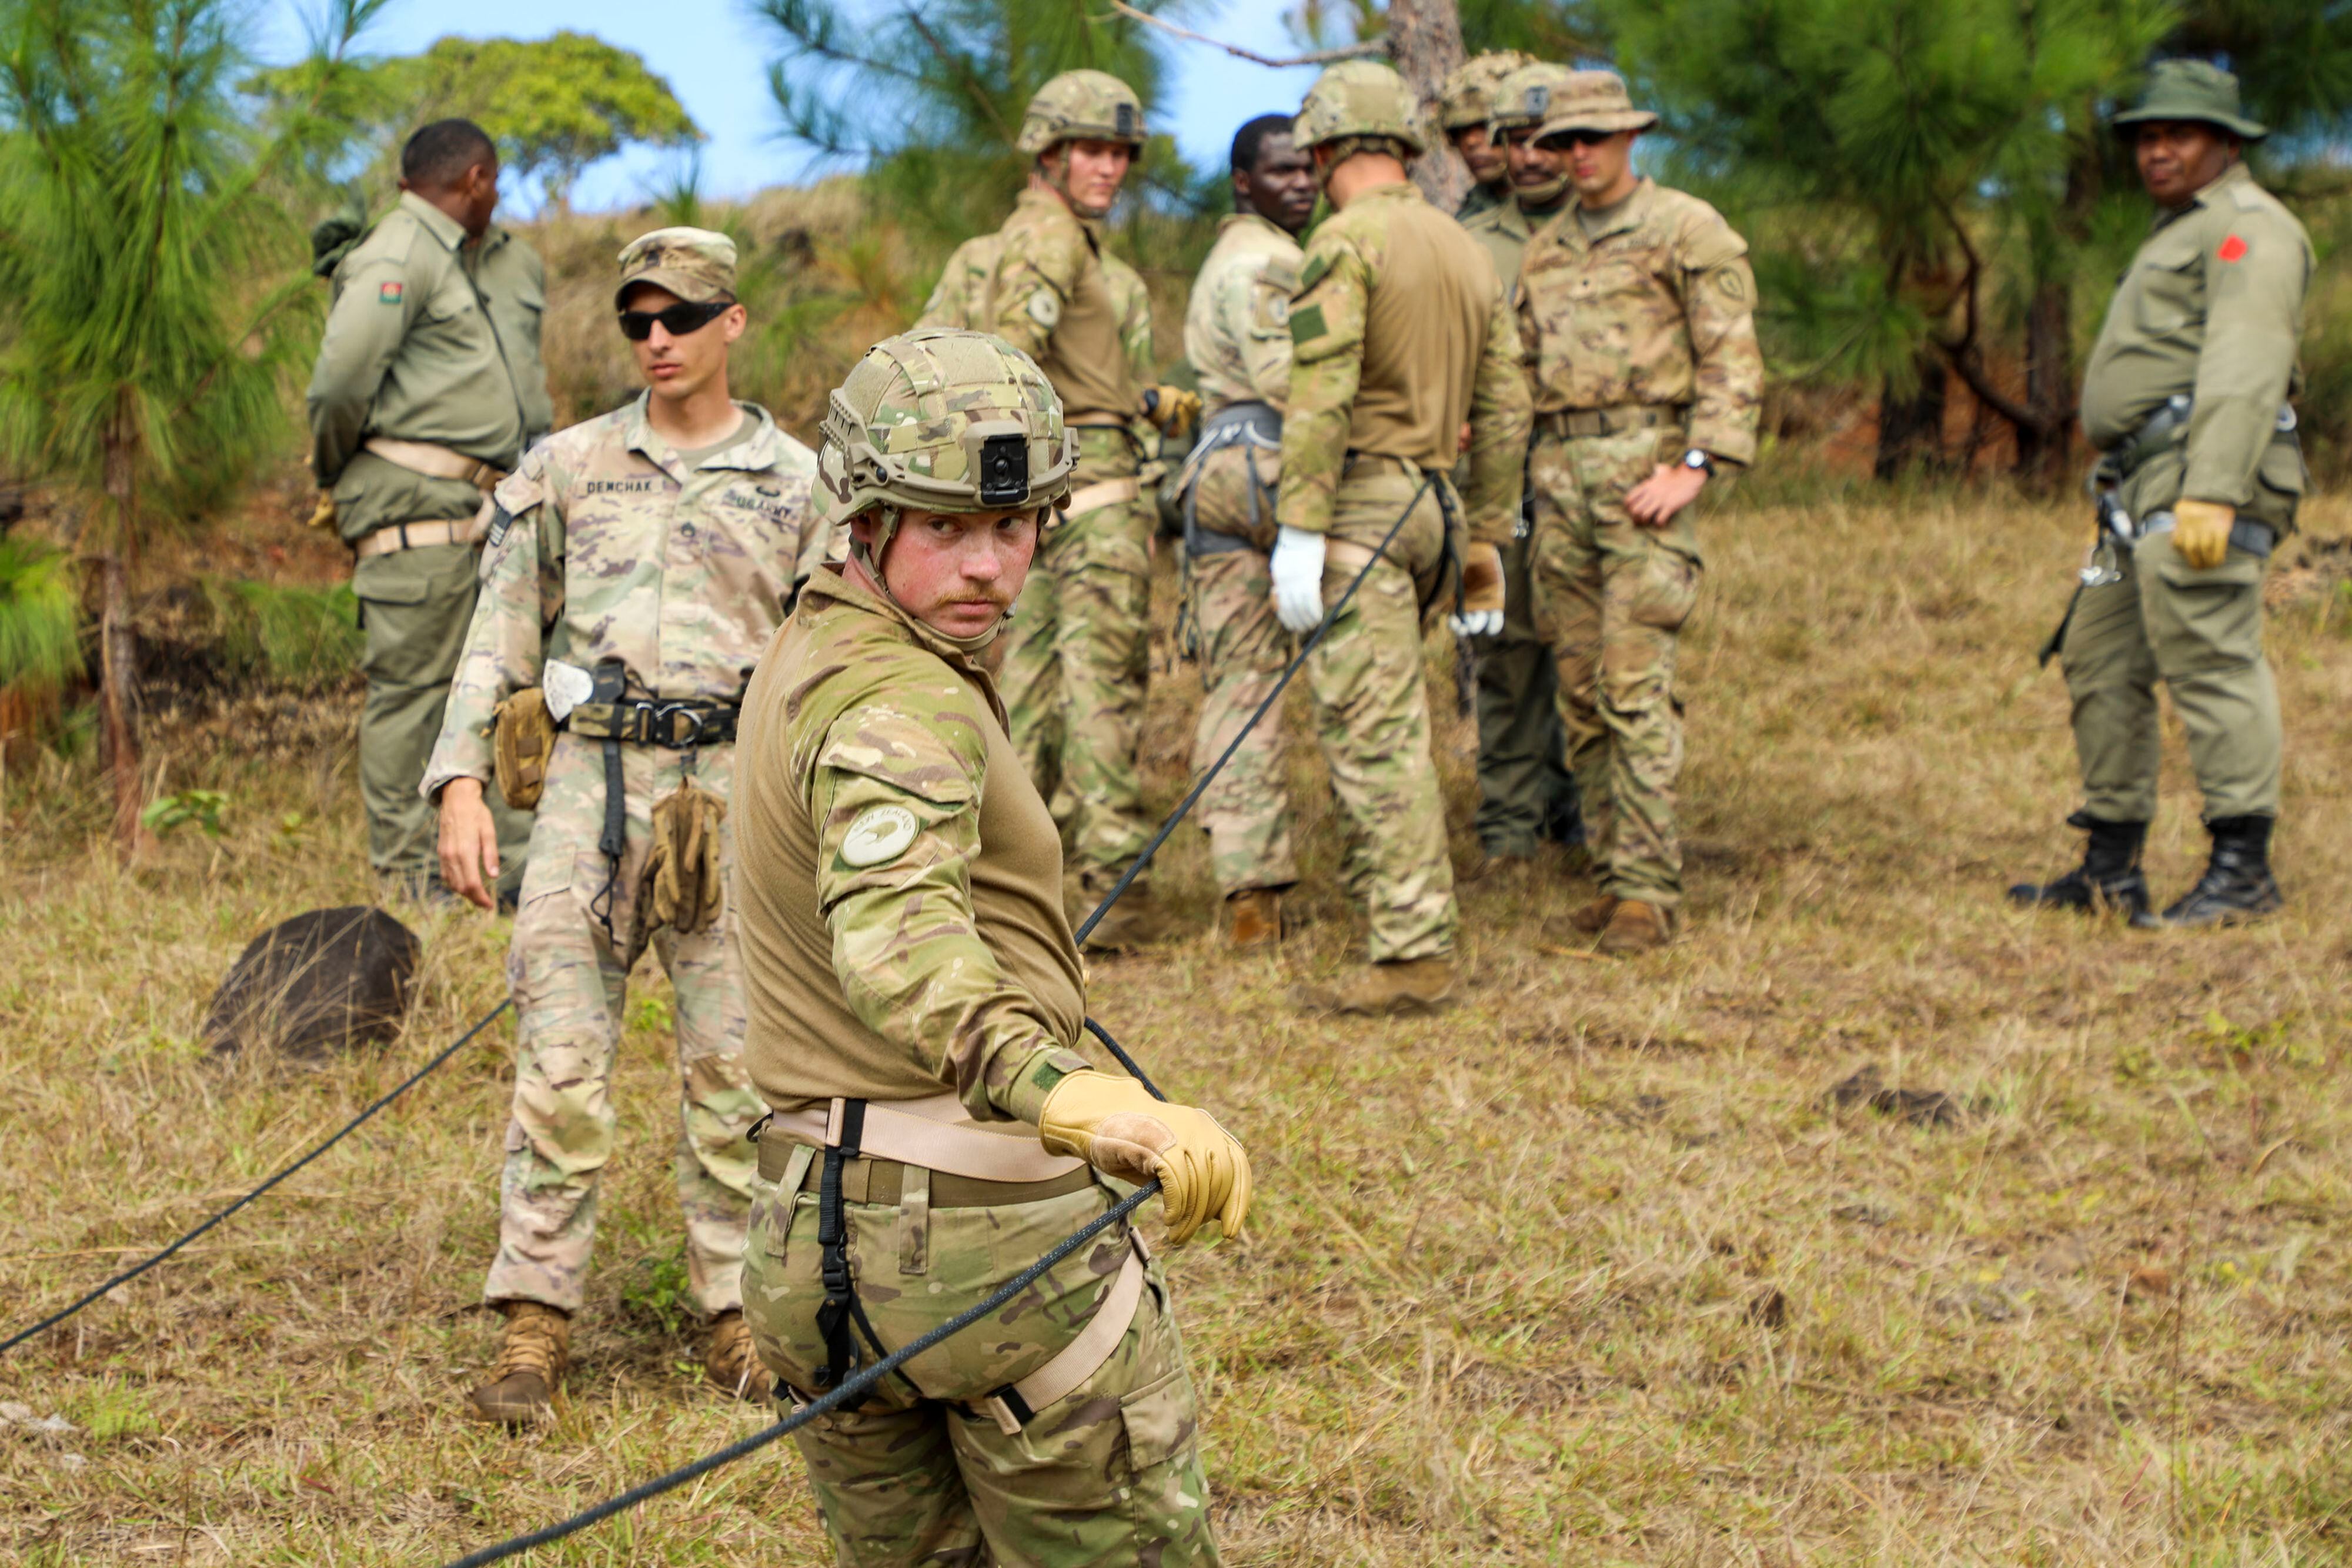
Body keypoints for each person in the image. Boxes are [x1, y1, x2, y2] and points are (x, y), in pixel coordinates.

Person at [731, 327, 1250, 1565]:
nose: (985, 567)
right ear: (865, 523)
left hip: (811, 1248)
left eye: (1010, 530)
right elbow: (903, 947)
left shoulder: (810, 648)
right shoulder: (898, 702)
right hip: (984, 1247)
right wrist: (1071, 1096)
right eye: (943, 529)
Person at [422, 228, 826, 1423]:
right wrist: (458, 785)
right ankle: (534, 1322)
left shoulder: (799, 483)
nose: (657, 340)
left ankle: (737, 1313)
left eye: (681, 319)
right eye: (637, 321)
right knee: (557, 1062)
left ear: (732, 324)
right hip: (591, 794)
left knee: (736, 1074)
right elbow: (498, 629)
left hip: (734, 798)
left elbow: (834, 657)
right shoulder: (569, 466)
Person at [2009, 61, 2310, 929]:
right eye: (2147, 136)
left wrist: (2214, 489)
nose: (2158, 150)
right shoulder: (2184, 229)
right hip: (2143, 484)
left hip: (2201, 476)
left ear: (2225, 141)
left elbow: (2248, 360)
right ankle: (2110, 866)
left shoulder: (2246, 228)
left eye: (2179, 134)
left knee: (2212, 656)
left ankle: (2243, 870)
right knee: (2100, 654)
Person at [914, 71, 1197, 952]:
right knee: (1099, 693)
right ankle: (1115, 894)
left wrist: (1142, 399)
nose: (1109, 167)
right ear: (1048, 152)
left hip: (1036, 499)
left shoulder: (1012, 246)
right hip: (1078, 494)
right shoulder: (1049, 238)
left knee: (1021, 699)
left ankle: (1006, 889)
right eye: (1092, 149)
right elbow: (1012, 366)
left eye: (1120, 152)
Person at [1274, 61, 1532, 1014]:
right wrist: (1486, 539)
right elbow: (1507, 404)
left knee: (1376, 734)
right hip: (1437, 508)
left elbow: (1321, 394)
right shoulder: (1465, 249)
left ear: (1330, 150)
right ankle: (1388, 909)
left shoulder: (1345, 242)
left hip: (1363, 512)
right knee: (1388, 722)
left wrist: (1299, 525)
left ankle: (1414, 949)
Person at [1514, 72, 1762, 957]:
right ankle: (1616, 874)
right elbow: (1518, 371)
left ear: (1629, 138)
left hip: (1642, 477)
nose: (1577, 154)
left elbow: (1731, 351)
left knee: (1634, 684)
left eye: (1594, 137)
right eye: (1563, 141)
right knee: (1580, 691)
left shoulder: (1686, 228)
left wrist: (1697, 463)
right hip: (1558, 480)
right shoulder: (1543, 250)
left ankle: (1651, 889)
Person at [308, 119, 550, 905]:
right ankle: (415, 879)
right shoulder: (397, 253)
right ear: (476, 178)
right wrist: (343, 472)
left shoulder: (505, 261)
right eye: (497, 182)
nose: (499, 197)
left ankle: (507, 869)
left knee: (511, 685)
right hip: (419, 510)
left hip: (503, 507)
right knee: (413, 693)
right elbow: (340, 385)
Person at [1176, 113, 1319, 948]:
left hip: (1215, 472)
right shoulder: (1267, 261)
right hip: (1274, 465)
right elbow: (1286, 374)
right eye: (1280, 170)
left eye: (1308, 167)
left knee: (1238, 679)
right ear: (1243, 180)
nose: (1300, 181)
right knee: (1339, 672)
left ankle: (1246, 883)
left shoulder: (1223, 257)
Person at [1459, 62, 1586, 872]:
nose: (1530, 156)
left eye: (1546, 140)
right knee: (1505, 653)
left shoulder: (1610, 229)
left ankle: (1581, 807)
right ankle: (1508, 823)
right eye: (1514, 141)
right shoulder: (1471, 243)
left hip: (1592, 474)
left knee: (1591, 650)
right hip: (1501, 477)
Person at [1437, 51, 1534, 222]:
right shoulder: (1465, 222)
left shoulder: (1577, 206)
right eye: (1459, 131)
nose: (1470, 141)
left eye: (1485, 126)